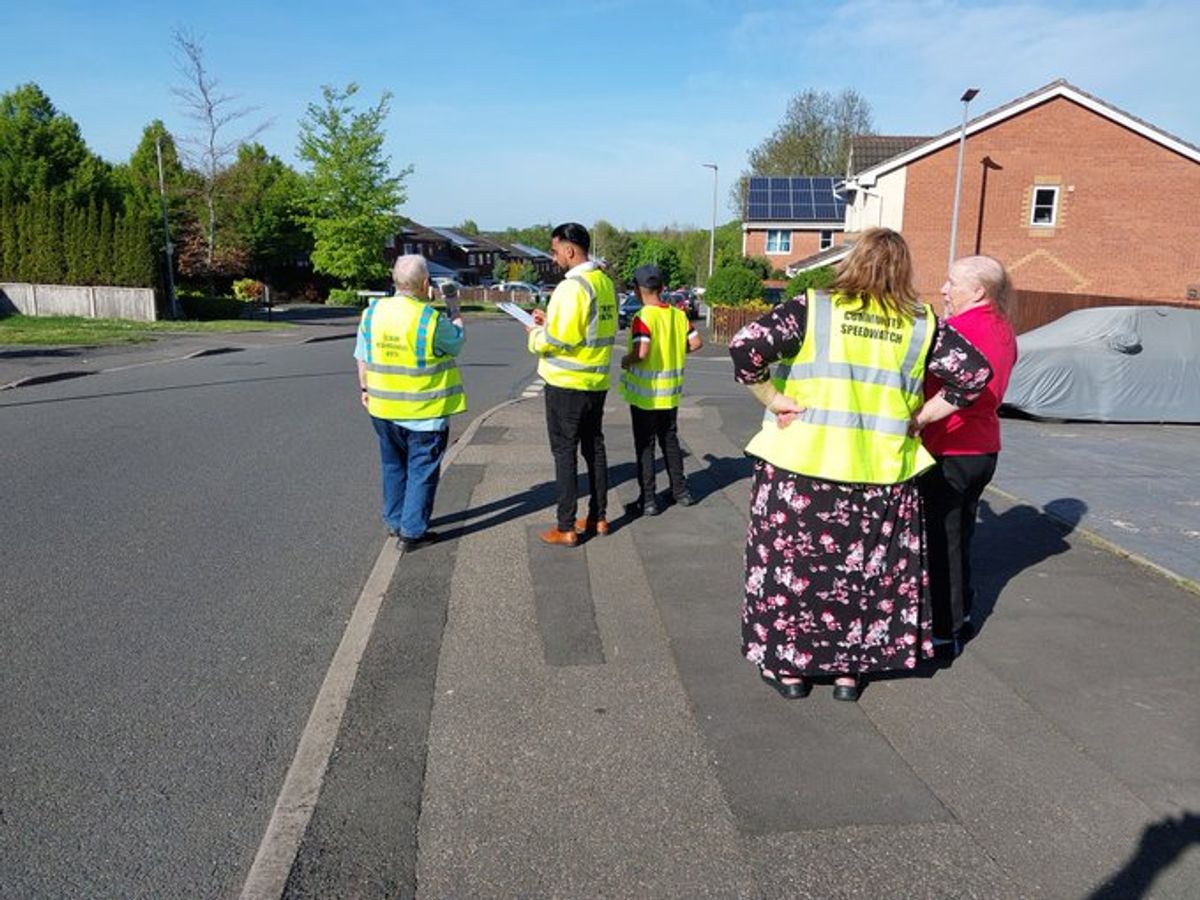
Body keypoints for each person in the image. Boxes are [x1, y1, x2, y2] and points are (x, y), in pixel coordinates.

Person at [729, 228, 993, 701]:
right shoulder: (921, 323)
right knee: (863, 577)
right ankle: (849, 673)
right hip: (881, 475)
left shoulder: (817, 308)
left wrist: (774, 398)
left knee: (795, 573)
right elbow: (974, 374)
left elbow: (746, 346)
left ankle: (791, 670)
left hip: (803, 468)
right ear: (903, 270)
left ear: (853, 263)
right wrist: (922, 417)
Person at [913, 255, 1018, 655]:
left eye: (951, 282)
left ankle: (944, 630)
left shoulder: (954, 331)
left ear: (977, 291)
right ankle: (964, 614)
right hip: (984, 448)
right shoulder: (1005, 330)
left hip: (949, 445)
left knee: (942, 541)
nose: (943, 289)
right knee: (961, 534)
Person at [356, 254, 466, 551]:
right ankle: (412, 532)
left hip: (382, 410)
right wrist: (453, 306)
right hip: (424, 414)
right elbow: (456, 341)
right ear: (426, 283)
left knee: (393, 467)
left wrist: (365, 388)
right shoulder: (430, 320)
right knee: (422, 472)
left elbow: (362, 356)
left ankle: (394, 522)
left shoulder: (372, 313)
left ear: (394, 281)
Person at [525, 222, 618, 546]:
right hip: (596, 380)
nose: (553, 258)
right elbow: (588, 328)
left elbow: (559, 340)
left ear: (569, 249)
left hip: (566, 383)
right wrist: (549, 319)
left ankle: (566, 526)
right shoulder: (604, 283)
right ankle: (599, 516)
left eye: (554, 251)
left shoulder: (571, 286)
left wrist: (536, 335)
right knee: (595, 449)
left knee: (565, 452)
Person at [618, 263, 703, 516]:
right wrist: (676, 351)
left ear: (636, 290)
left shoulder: (643, 317)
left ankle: (648, 500)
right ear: (663, 288)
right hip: (671, 393)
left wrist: (626, 360)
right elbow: (696, 343)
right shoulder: (678, 315)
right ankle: (681, 491)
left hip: (646, 394)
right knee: (670, 439)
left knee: (645, 446)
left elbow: (641, 352)